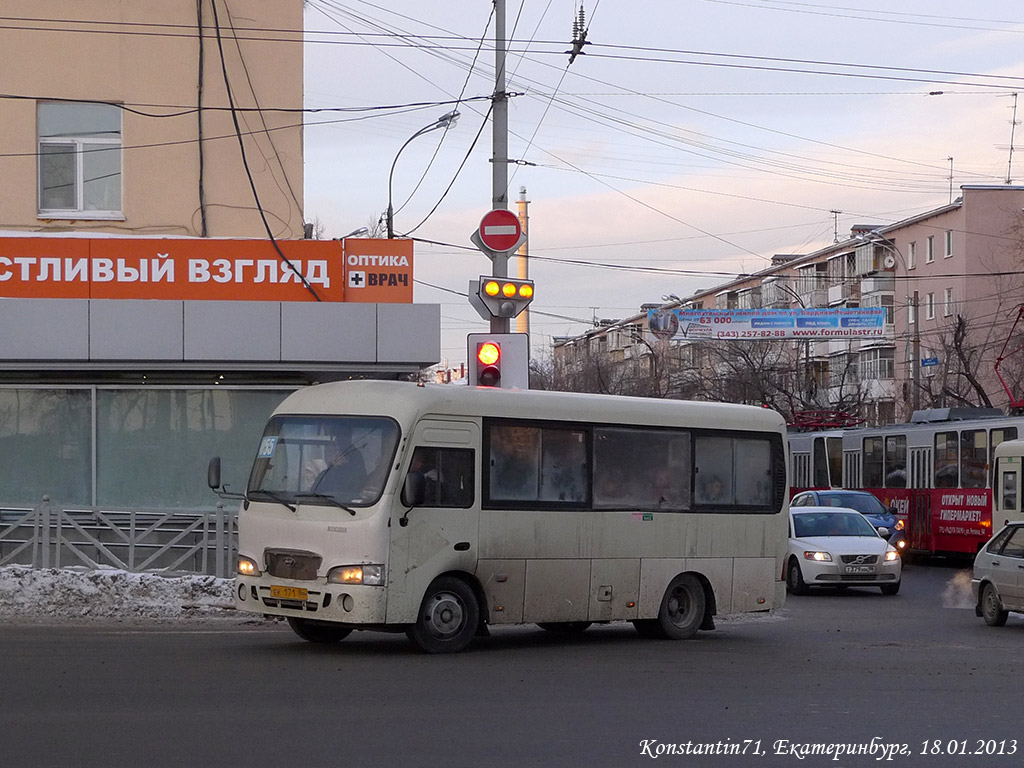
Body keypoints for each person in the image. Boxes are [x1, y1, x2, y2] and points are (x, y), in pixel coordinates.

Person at [311, 423, 370, 500]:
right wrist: (332, 467)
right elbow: (314, 493)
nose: (338, 440)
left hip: (348, 501)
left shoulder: (354, 453)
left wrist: (340, 467)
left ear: (348, 436)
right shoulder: (325, 474)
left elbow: (358, 482)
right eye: (336, 437)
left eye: (342, 436)